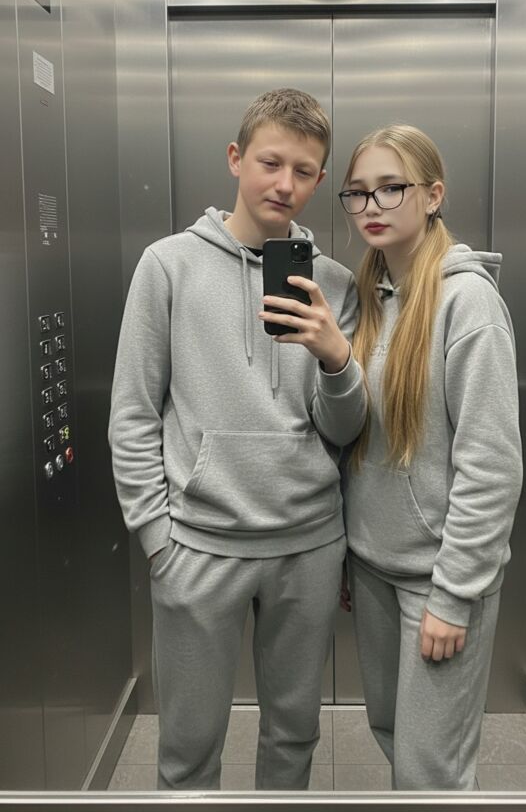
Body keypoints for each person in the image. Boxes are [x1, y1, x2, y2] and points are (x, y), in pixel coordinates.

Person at [108, 88, 366, 791]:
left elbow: (345, 432)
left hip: (309, 546)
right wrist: (157, 537)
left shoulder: (333, 285)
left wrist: (335, 359)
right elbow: (133, 412)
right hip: (198, 546)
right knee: (188, 748)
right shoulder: (168, 265)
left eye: (304, 171)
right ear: (235, 158)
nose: (285, 184)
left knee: (294, 737)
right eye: (270, 162)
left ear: (320, 179)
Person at [338, 124, 523, 791]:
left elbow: (492, 466)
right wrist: (351, 554)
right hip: (374, 568)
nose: (372, 206)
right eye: (358, 193)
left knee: (431, 774)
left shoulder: (468, 303)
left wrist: (453, 594)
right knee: (393, 736)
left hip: (439, 579)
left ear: (433, 195)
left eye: (392, 187)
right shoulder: (366, 297)